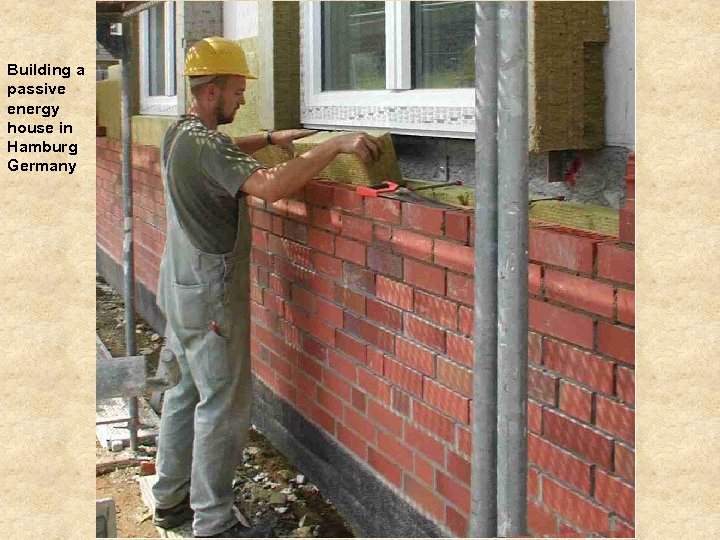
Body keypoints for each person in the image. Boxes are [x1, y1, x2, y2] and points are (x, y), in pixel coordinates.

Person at [151, 36, 380, 538]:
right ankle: (212, 522)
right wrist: (332, 145)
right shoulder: (207, 144)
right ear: (211, 91)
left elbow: (226, 151)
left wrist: (272, 138)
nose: (241, 100)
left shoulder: (180, 134)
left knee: (184, 391)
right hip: (209, 296)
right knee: (223, 405)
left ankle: (169, 499)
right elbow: (271, 187)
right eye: (236, 92)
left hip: (180, 287)